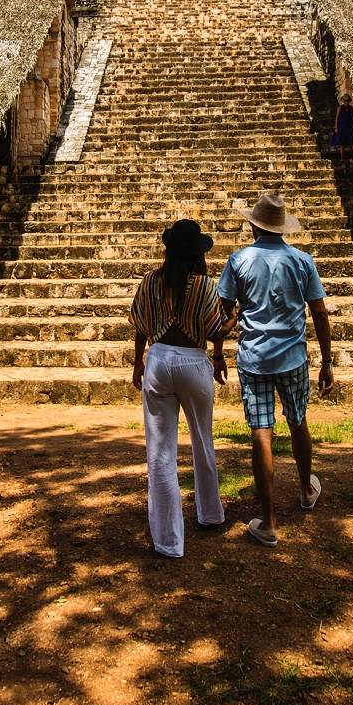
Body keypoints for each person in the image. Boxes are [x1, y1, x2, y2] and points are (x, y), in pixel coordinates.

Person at [216, 193, 334, 549]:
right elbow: (320, 313)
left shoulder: (238, 261)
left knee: (261, 433)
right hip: (293, 358)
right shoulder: (302, 261)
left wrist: (218, 353)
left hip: (254, 359)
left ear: (254, 225)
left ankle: (267, 521)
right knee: (298, 420)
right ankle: (304, 488)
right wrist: (327, 361)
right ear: (281, 227)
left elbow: (223, 314)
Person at [130, 219, 228, 559]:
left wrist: (137, 362)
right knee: (203, 440)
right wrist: (230, 324)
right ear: (197, 254)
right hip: (194, 362)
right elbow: (215, 330)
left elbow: (141, 324)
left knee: (160, 455)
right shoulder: (205, 286)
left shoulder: (150, 282)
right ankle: (211, 514)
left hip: (158, 361)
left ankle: (169, 540)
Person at [330, 93, 353, 161]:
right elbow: (337, 118)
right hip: (342, 126)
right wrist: (336, 127)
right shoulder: (340, 108)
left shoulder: (351, 108)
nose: (346, 103)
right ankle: (342, 156)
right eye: (345, 102)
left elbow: (352, 117)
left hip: (350, 125)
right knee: (341, 141)